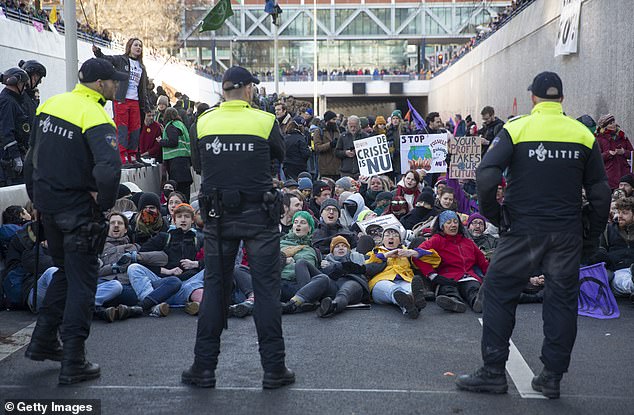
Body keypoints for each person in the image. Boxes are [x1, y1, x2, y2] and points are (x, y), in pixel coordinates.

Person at [456, 72, 611, 399]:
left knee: (498, 293)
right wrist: (591, 235)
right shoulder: (583, 134)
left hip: (522, 230)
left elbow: (486, 175)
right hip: (566, 233)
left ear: (534, 98)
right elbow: (600, 191)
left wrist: (495, 215)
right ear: (562, 100)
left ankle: (493, 372)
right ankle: (552, 377)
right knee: (562, 302)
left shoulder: (517, 128)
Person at [183, 66, 293, 389]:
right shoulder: (265, 120)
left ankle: (204, 368)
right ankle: (274, 370)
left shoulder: (202, 122)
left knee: (215, 290)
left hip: (218, 219)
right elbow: (280, 155)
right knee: (267, 292)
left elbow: (198, 165)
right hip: (260, 217)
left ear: (223, 91)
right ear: (247, 90)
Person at [23, 58, 124, 384]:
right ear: (99, 84)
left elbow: (31, 158)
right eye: (112, 82)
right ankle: (74, 359)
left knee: (66, 273)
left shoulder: (50, 104)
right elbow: (109, 170)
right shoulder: (95, 115)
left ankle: (43, 340)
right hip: (79, 211)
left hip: (49, 208)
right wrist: (105, 205)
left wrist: (36, 199)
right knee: (83, 281)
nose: (116, 86)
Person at [93, 38, 150, 165]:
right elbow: (107, 59)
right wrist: (98, 53)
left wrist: (146, 106)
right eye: (136, 45)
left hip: (135, 101)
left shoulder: (142, 67)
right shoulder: (121, 60)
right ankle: (122, 156)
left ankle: (132, 156)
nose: (138, 48)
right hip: (121, 99)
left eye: (140, 46)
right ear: (129, 46)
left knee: (135, 129)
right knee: (122, 128)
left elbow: (143, 88)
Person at [0, 67, 30, 186]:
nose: (24, 87)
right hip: (9, 160)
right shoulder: (8, 102)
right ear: (17, 82)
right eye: (23, 83)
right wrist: (16, 157)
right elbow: (6, 131)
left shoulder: (11, 100)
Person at [158, 107, 193, 201]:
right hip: (184, 161)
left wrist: (161, 141)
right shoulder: (180, 125)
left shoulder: (171, 125)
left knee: (179, 192)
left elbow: (173, 142)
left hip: (176, 164)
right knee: (185, 192)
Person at [595, 114, 633, 190]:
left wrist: (623, 152)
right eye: (610, 123)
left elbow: (632, 153)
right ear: (604, 126)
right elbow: (596, 158)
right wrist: (608, 153)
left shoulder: (622, 136)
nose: (613, 124)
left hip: (624, 177)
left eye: (613, 122)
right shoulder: (599, 138)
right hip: (609, 177)